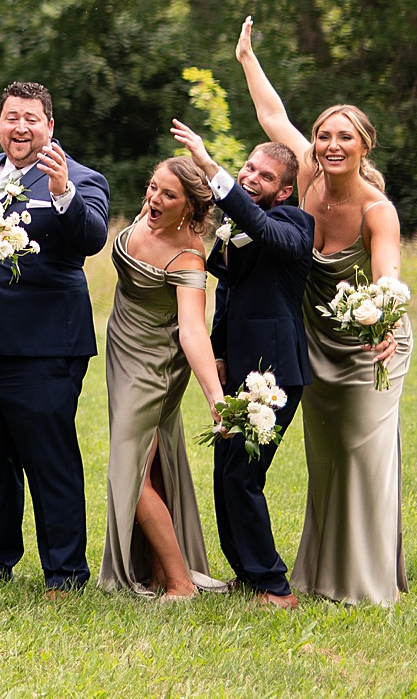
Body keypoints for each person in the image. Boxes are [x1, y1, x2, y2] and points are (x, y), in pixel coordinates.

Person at [237, 18, 411, 606]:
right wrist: (247, 58)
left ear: (364, 146)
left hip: (371, 343)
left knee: (364, 452)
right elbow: (271, 115)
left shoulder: (377, 210)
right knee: (328, 456)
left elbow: (387, 275)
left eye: (345, 137)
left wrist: (383, 322)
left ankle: (367, 580)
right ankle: (322, 571)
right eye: (323, 136)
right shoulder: (307, 178)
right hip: (316, 339)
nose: (332, 145)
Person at [0, 81, 109, 592]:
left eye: (31, 118)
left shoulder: (80, 178)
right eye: (12, 117)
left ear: (49, 126)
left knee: (48, 460)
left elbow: (92, 237)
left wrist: (62, 193)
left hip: (44, 346)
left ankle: (65, 572)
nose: (20, 127)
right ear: (0, 122)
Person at [170, 117, 313, 608]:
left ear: (285, 191)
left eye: (265, 176)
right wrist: (218, 354)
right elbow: (228, 295)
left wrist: (211, 167)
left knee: (243, 475)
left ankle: (275, 586)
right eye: (248, 168)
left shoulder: (295, 224)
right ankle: (248, 575)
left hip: (274, 374)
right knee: (225, 472)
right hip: (237, 368)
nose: (251, 177)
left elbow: (264, 229)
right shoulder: (235, 229)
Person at [97, 158, 227, 598]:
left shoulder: (188, 255)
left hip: (155, 366)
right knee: (148, 464)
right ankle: (156, 573)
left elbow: (192, 330)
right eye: (153, 187)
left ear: (189, 207)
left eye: (168, 195)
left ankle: (180, 582)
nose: (154, 198)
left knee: (128, 471)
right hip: (122, 350)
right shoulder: (148, 215)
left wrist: (215, 396)